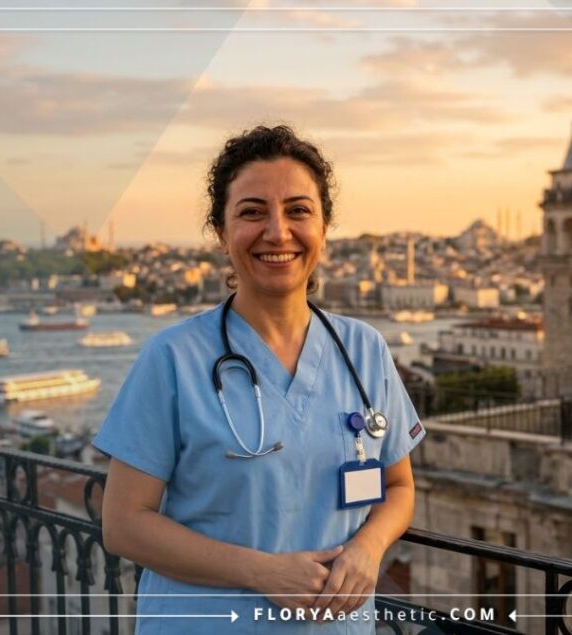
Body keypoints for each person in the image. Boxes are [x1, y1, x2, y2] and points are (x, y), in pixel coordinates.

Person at [94, 124, 426, 634]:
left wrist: (368, 547)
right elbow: (124, 527)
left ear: (324, 227)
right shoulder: (174, 358)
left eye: (298, 210)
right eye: (252, 212)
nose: (277, 232)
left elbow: (398, 486)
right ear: (222, 234)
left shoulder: (364, 349)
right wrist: (261, 571)